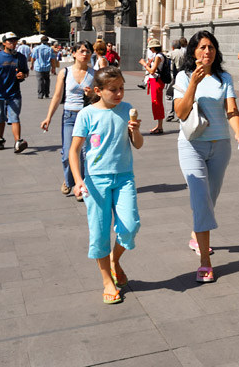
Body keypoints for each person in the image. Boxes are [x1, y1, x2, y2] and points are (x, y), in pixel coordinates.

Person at [173, 31, 239, 283]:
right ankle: (205, 260)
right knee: (201, 198)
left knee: (210, 197)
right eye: (202, 47)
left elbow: (232, 109)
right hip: (191, 146)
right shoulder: (183, 76)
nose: (207, 52)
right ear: (193, 51)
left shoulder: (223, 77)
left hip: (220, 146)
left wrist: (238, 133)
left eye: (211, 47)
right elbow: (181, 113)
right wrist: (193, 83)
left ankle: (197, 235)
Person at [68, 66, 143, 304]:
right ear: (99, 91)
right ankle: (107, 281)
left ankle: (114, 260)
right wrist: (78, 181)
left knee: (130, 226)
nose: (119, 93)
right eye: (113, 90)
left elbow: (138, 145)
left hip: (124, 177)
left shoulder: (126, 110)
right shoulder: (86, 115)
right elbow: (74, 151)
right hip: (96, 182)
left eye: (121, 88)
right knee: (100, 234)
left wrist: (136, 130)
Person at [41, 41, 95, 199]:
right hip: (69, 116)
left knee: (85, 153)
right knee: (67, 153)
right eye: (81, 51)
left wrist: (91, 94)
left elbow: (100, 97)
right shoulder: (65, 72)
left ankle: (81, 185)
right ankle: (68, 180)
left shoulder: (95, 73)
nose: (85, 54)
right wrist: (48, 117)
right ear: (73, 53)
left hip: (87, 116)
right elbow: (57, 96)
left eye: (88, 51)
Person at [0, 32, 30, 153]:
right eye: (10, 41)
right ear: (4, 43)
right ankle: (0, 138)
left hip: (14, 93)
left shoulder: (21, 57)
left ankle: (18, 142)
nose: (13, 43)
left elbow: (25, 72)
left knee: (14, 117)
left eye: (15, 41)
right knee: (0, 117)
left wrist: (22, 75)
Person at [138, 39, 166, 134]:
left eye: (150, 47)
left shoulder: (158, 56)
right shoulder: (158, 55)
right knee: (156, 102)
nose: (150, 49)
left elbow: (152, 71)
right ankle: (159, 125)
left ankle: (160, 126)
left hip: (156, 81)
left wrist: (144, 64)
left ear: (154, 47)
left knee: (157, 103)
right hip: (156, 80)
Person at [166, 38, 188, 122]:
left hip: (173, 77)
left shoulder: (170, 54)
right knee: (181, 95)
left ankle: (170, 114)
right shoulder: (184, 53)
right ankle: (180, 114)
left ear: (172, 47)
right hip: (183, 76)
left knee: (169, 95)